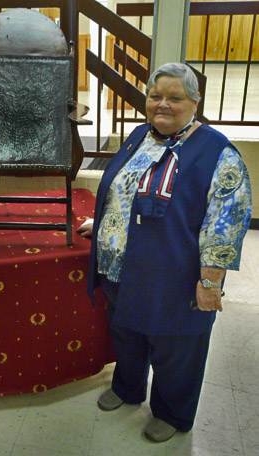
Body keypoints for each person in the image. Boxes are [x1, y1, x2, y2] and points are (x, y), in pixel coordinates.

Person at [78, 62, 252, 442]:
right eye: (155, 96)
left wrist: (210, 282)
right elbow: (121, 190)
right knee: (126, 331)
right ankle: (127, 388)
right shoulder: (140, 134)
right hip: (121, 265)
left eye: (175, 97)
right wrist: (105, 223)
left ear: (195, 101)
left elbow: (226, 224)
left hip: (176, 273)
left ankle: (173, 412)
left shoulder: (217, 154)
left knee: (176, 345)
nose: (163, 105)